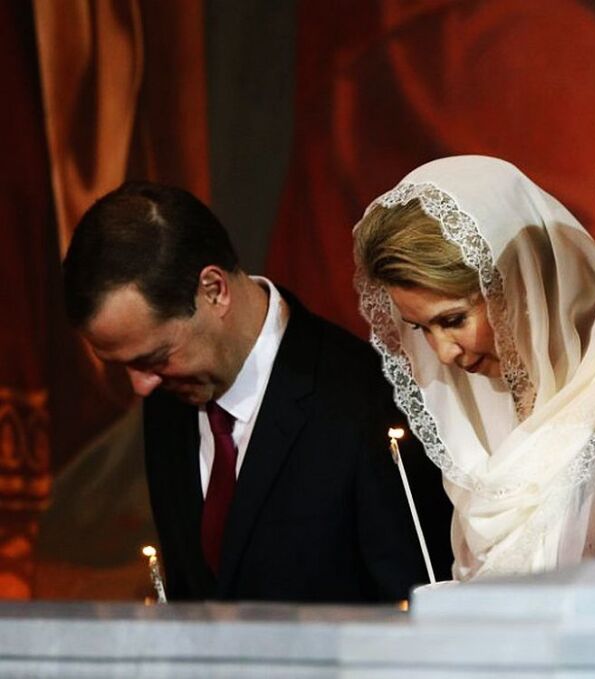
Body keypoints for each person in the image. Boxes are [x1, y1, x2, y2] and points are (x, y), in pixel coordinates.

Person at [62, 181, 452, 602]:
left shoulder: (367, 401)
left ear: (214, 291)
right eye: (124, 365)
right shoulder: (168, 399)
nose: (141, 386)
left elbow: (413, 604)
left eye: (154, 356)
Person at [353, 156, 595, 579]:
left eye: (453, 320)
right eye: (421, 328)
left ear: (521, 282)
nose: (444, 353)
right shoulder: (481, 408)